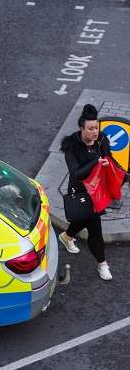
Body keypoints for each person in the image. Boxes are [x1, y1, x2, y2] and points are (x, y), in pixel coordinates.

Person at [58, 104, 113, 280]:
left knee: (84, 219)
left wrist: (125, 176)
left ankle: (67, 236)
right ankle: (102, 264)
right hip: (80, 191)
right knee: (95, 227)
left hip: (97, 190)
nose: (95, 132)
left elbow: (110, 160)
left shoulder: (102, 140)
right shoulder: (72, 146)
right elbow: (76, 173)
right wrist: (96, 162)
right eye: (90, 129)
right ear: (81, 129)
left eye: (96, 128)